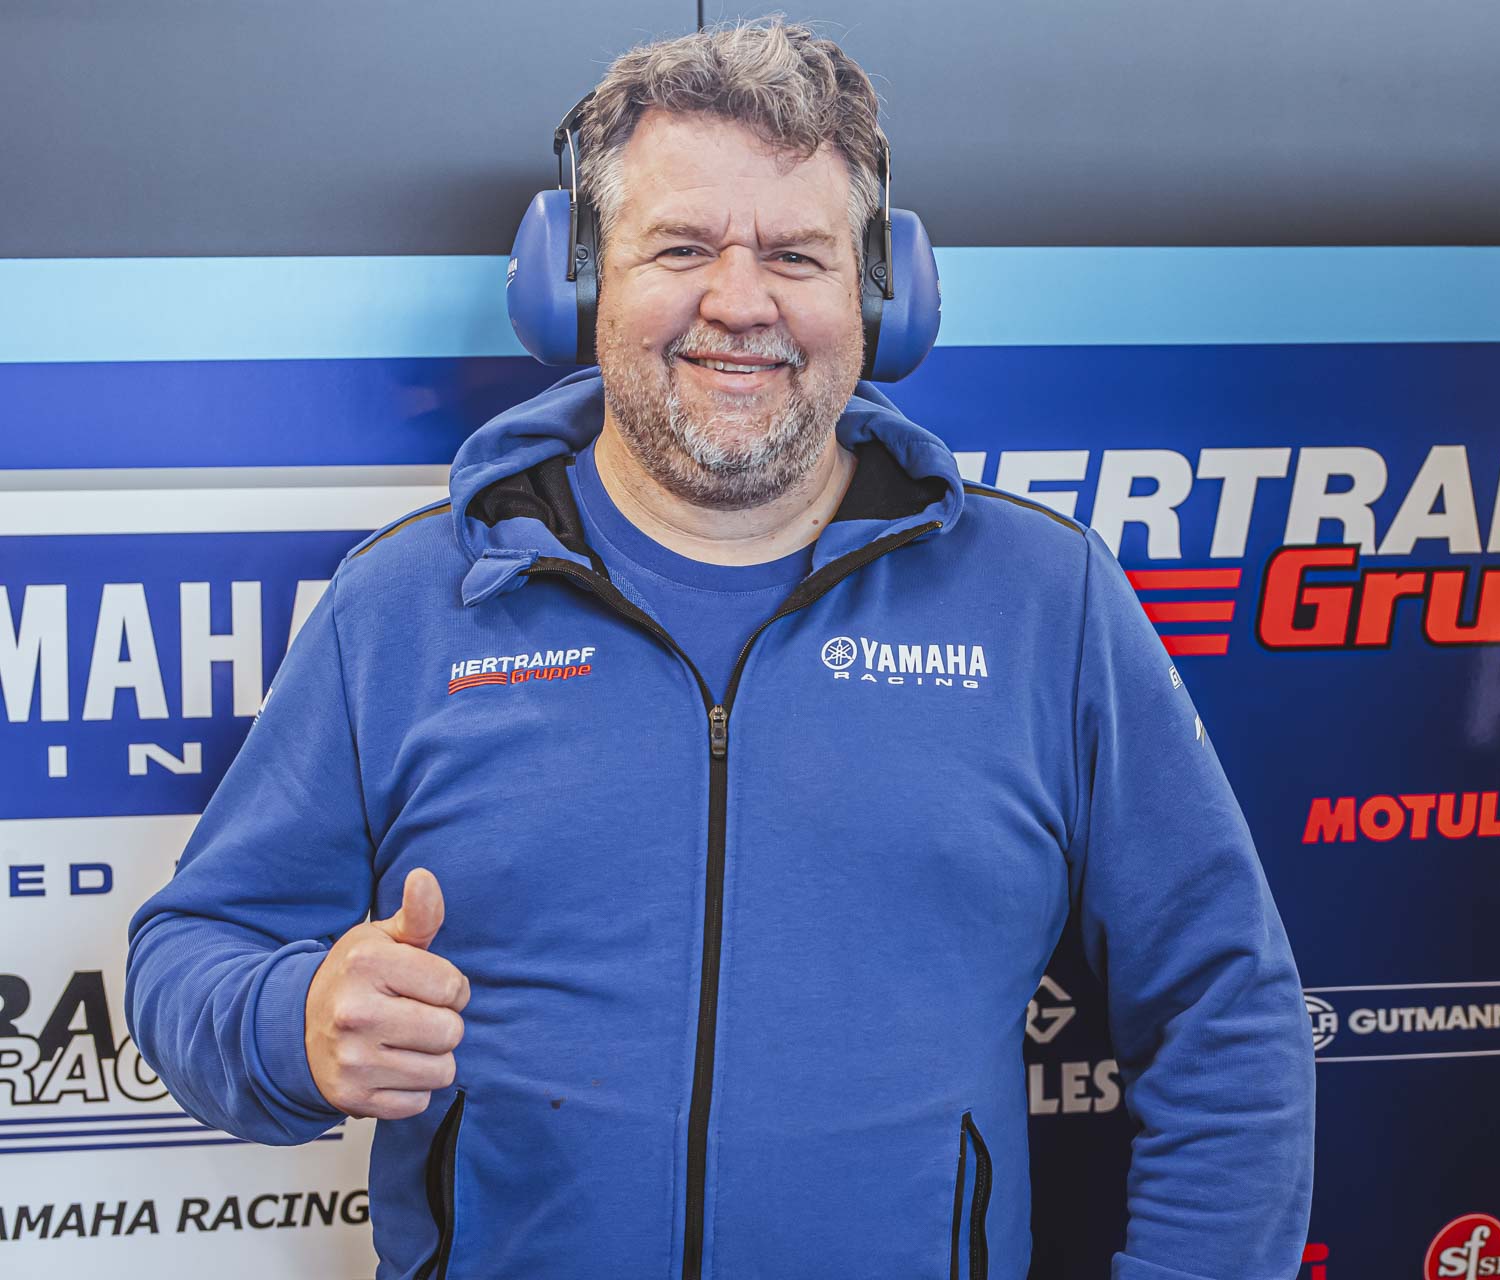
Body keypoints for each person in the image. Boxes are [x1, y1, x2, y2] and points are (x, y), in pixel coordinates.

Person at [125, 17, 1314, 1279]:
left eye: (797, 254)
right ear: (580, 283)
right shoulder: (407, 603)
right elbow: (193, 950)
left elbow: (1228, 1014)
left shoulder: (1045, 602)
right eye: (682, 246)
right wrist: (293, 1021)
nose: (740, 302)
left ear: (880, 296)